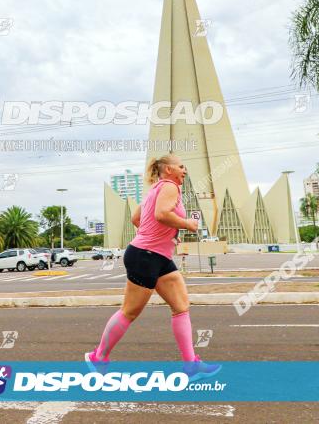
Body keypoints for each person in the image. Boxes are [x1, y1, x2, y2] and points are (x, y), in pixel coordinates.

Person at [84, 154, 221, 381]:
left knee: (181, 305)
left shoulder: (155, 190)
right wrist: (188, 224)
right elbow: (161, 214)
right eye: (181, 166)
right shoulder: (170, 186)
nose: (184, 171)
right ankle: (99, 357)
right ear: (168, 169)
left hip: (156, 255)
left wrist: (166, 236)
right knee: (129, 312)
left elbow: (137, 218)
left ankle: (191, 365)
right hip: (146, 256)